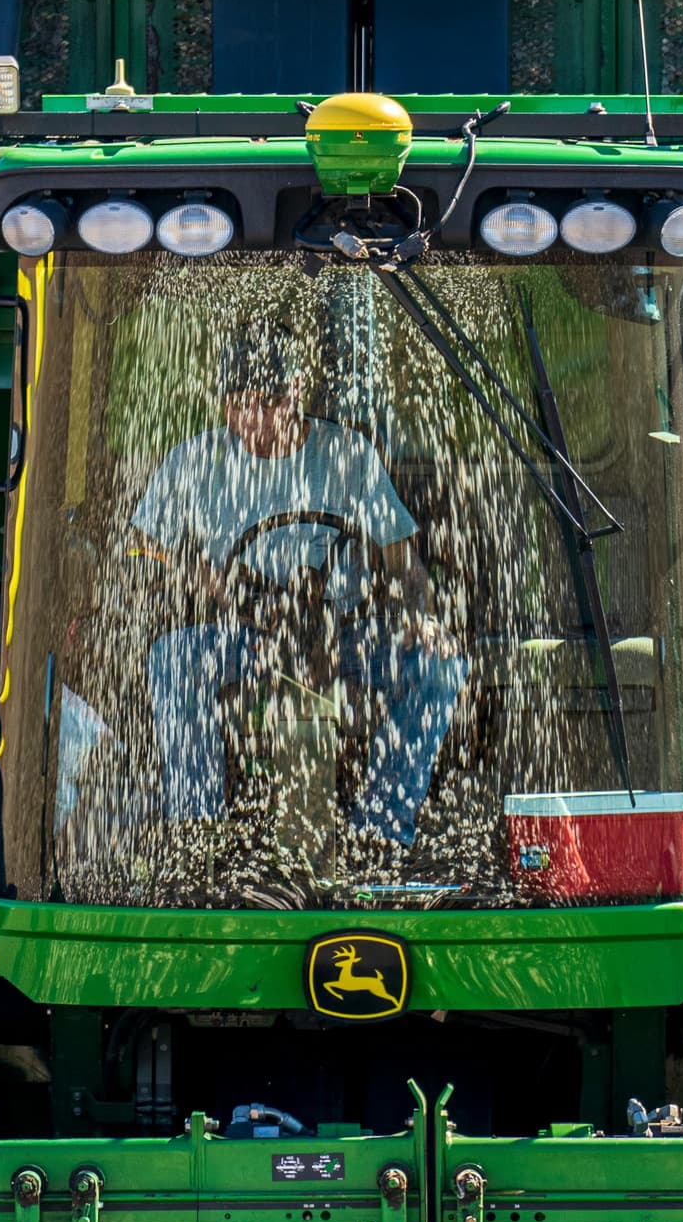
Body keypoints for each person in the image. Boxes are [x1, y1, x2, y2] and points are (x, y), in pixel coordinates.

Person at [133, 325, 464, 850]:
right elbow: (142, 550)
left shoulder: (348, 457)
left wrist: (421, 616)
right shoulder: (195, 463)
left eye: (272, 401)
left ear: (298, 392)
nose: (259, 419)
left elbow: (405, 566)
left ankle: (379, 831)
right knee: (171, 659)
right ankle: (198, 837)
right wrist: (205, 579)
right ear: (221, 405)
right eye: (243, 403)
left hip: (347, 636)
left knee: (440, 664)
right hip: (245, 637)